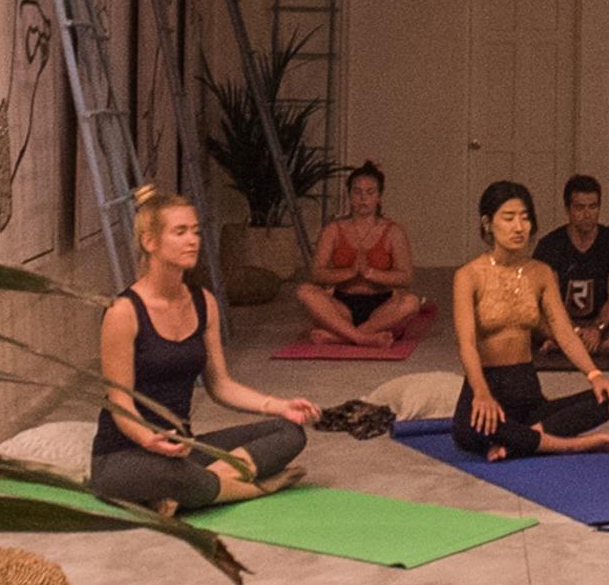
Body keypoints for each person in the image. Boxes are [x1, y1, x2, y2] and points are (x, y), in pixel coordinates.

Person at [93, 188, 317, 510]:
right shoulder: (122, 311)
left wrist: (279, 405)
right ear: (149, 241)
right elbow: (119, 403)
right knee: (179, 476)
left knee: (289, 433)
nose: (193, 240)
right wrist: (147, 439)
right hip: (124, 455)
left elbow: (220, 385)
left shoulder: (204, 303)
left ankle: (199, 489)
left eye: (196, 231)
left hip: (180, 448)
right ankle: (254, 489)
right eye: (180, 232)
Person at [450, 181, 609, 460]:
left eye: (525, 218)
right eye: (508, 218)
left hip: (525, 388)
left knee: (607, 399)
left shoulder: (540, 273)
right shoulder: (468, 276)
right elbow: (467, 344)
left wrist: (595, 375)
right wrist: (481, 392)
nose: (519, 227)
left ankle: (521, 440)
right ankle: (572, 445)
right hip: (487, 383)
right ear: (487, 223)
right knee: (468, 432)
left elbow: (564, 333)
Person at [292, 162, 423, 348]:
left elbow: (406, 277)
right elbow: (317, 274)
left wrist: (370, 273)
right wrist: (351, 272)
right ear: (350, 196)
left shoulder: (394, 231)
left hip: (380, 306)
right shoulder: (333, 230)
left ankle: (340, 337)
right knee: (304, 291)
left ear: (379, 197)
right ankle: (363, 338)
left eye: (370, 192)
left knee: (411, 303)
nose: (363, 198)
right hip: (342, 304)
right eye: (357, 192)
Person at [534, 174, 609, 361]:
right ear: (568, 209)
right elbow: (550, 299)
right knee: (529, 314)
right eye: (580, 208)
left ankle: (567, 345)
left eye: (593, 207)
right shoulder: (549, 245)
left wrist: (597, 328)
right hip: (562, 320)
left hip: (602, 320)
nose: (587, 214)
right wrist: (574, 329)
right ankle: (596, 346)